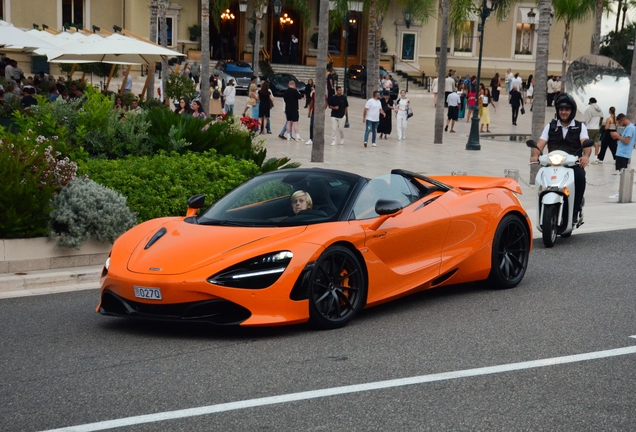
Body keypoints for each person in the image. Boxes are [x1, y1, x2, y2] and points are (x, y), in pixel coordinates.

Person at [529, 93, 590, 222]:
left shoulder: (580, 126)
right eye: (561, 109)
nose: (564, 112)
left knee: (580, 176)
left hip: (572, 164)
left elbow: (585, 143)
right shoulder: (550, 127)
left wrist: (585, 156)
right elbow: (540, 143)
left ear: (572, 111)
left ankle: (576, 209)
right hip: (553, 164)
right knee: (541, 177)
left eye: (567, 109)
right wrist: (535, 155)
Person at [609, 113, 635, 199]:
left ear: (623, 120)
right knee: (622, 174)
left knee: (623, 174)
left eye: (619, 123)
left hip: (623, 154)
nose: (619, 125)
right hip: (623, 153)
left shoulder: (630, 128)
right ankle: (620, 192)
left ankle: (620, 192)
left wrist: (618, 136)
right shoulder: (630, 127)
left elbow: (626, 141)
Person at [583, 97, 603, 164]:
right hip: (596, 128)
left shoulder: (589, 109)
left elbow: (587, 119)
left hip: (590, 128)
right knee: (596, 143)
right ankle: (595, 158)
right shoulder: (600, 109)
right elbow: (602, 117)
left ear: (590, 101)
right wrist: (599, 124)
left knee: (587, 144)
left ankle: (586, 157)